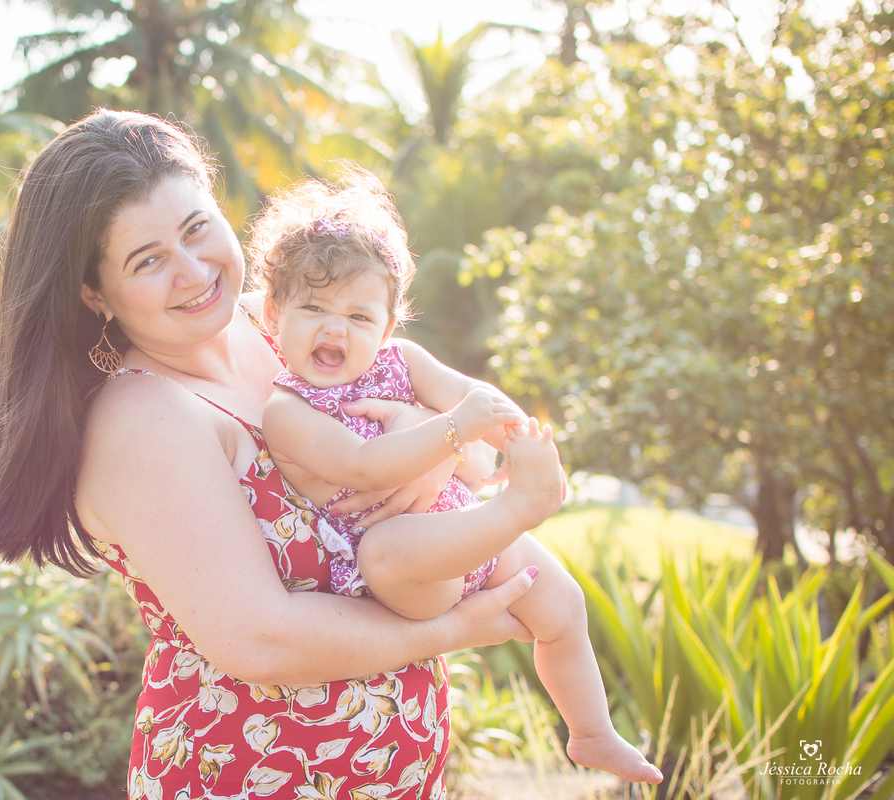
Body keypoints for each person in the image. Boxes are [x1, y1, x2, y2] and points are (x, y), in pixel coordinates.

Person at [0, 108, 596, 800]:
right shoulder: (141, 418)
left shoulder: (287, 325)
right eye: (148, 261)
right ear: (94, 294)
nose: (194, 272)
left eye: (198, 228)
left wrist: (432, 449)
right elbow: (261, 641)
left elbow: (441, 423)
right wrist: (456, 627)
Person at [251, 169, 664, 786]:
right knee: (388, 550)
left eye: (360, 317)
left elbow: (474, 396)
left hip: (466, 521)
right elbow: (361, 467)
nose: (336, 329)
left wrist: (518, 439)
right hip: (402, 562)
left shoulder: (404, 362)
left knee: (563, 604)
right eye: (314, 308)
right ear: (273, 312)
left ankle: (592, 733)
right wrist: (453, 432)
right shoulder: (287, 409)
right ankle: (521, 509)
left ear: (388, 327)